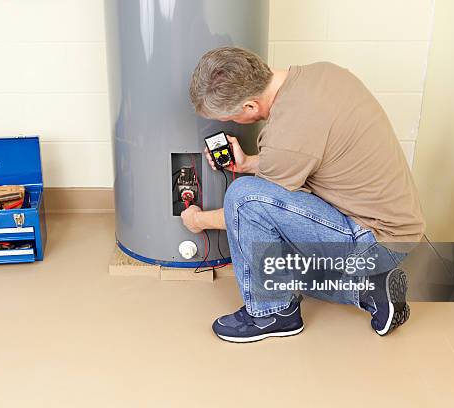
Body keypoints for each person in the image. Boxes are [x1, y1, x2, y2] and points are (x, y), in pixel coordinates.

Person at [181, 47, 425, 343]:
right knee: (269, 252)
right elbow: (303, 154)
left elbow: (246, 210)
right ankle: (371, 290)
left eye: (230, 117)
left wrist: (198, 220)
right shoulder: (322, 74)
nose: (230, 123)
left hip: (375, 242)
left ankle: (274, 312)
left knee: (245, 202)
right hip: (396, 229)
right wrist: (246, 163)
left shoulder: (286, 136)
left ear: (249, 107)